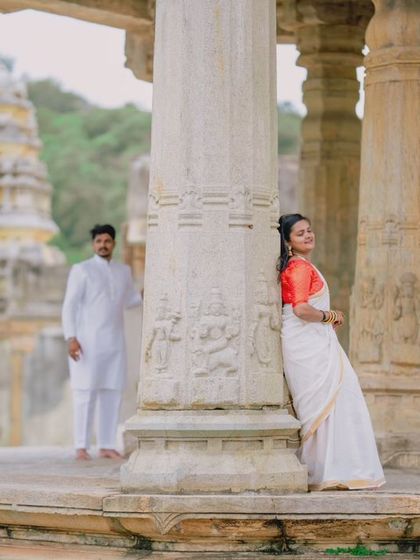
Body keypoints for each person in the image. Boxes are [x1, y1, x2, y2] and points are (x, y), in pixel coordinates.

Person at [277, 213, 385, 491]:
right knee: (334, 400)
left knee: (335, 401)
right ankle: (333, 469)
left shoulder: (299, 266)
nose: (308, 236)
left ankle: (334, 468)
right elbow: (301, 310)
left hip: (310, 341)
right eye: (300, 233)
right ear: (288, 241)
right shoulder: (298, 268)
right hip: (308, 344)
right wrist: (330, 315)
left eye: (309, 230)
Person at [62, 224, 142, 460]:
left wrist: (147, 292)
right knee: (85, 392)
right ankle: (81, 446)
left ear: (113, 244)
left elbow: (130, 300)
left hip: (114, 342)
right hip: (86, 341)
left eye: (107, 241)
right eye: (98, 241)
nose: (103, 245)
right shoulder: (81, 270)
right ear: (93, 244)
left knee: (112, 391)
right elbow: (70, 305)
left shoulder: (123, 272)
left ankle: (107, 445)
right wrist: (71, 337)